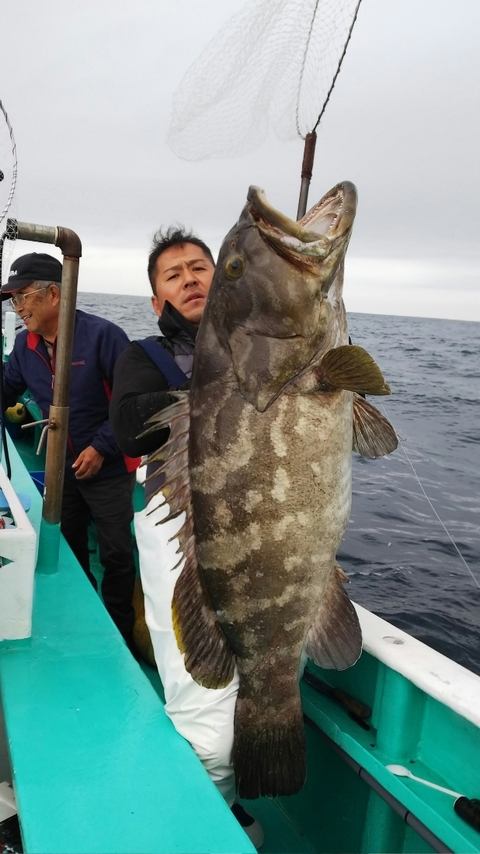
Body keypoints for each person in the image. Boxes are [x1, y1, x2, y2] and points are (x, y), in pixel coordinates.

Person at [110, 228, 264, 849]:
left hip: (260, 528)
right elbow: (127, 428)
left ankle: (224, 810)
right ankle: (190, 824)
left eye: (201, 268)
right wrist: (220, 390)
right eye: (173, 275)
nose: (190, 279)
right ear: (156, 300)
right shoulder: (143, 355)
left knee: (272, 674)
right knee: (209, 701)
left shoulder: (265, 346)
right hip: (177, 528)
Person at [1, 252, 140, 654]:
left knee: (116, 551)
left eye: (22, 297)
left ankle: (119, 632)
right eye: (13, 300)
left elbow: (133, 404)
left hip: (110, 467)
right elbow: (6, 390)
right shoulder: (26, 348)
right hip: (60, 467)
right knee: (72, 544)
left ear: (54, 294)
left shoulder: (104, 336)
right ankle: (87, 615)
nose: (18, 307)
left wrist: (101, 446)